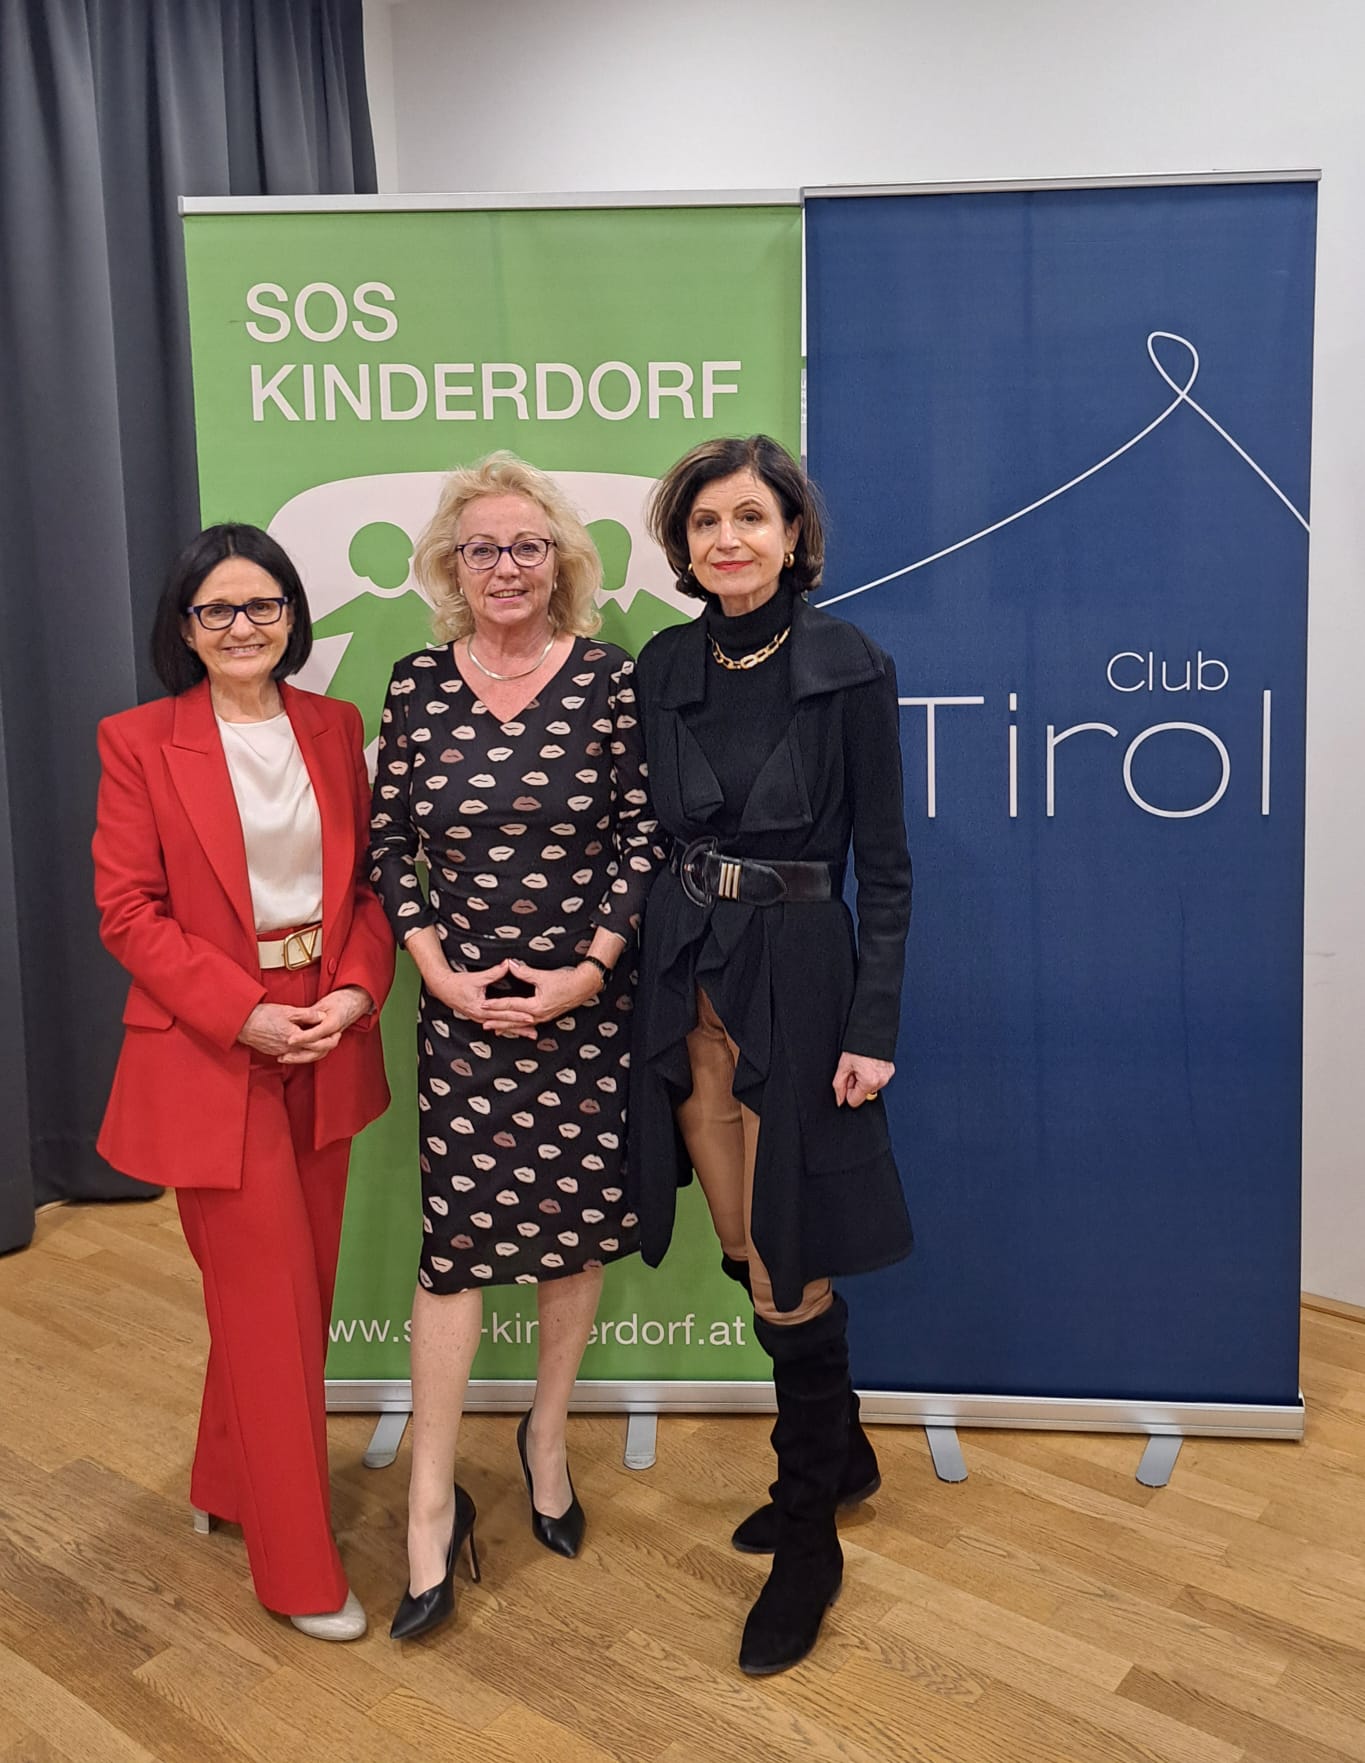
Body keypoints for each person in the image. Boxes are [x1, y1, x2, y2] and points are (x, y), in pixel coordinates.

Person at [630, 435, 913, 1676]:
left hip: (799, 981)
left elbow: (886, 866)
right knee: (747, 1240)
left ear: (794, 534)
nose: (727, 539)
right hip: (687, 980)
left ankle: (809, 1534)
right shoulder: (662, 663)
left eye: (751, 516)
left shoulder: (849, 664)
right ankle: (842, 1455)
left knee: (789, 1261)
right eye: (705, 522)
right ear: (683, 544)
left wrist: (872, 1026)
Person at [369, 452, 663, 1641]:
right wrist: (436, 968)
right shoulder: (416, 684)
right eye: (483, 547)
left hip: (583, 1011)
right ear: (452, 563)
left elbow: (641, 836)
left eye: (527, 545)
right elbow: (389, 843)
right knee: (456, 1250)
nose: (506, 565)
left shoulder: (610, 680)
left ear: (563, 561)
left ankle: (546, 1433)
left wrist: (586, 970)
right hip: (461, 1015)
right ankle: (431, 1500)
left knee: (571, 1234)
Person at [92, 525, 395, 1640]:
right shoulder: (138, 741)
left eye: (262, 604)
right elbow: (128, 911)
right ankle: (297, 1568)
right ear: (184, 627)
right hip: (215, 1046)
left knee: (298, 1296)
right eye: (216, 609)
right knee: (268, 1309)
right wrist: (243, 1010)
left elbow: (368, 888)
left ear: (292, 616)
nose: (241, 626)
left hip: (325, 1034)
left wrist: (353, 993)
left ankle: (227, 1476)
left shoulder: (334, 725)